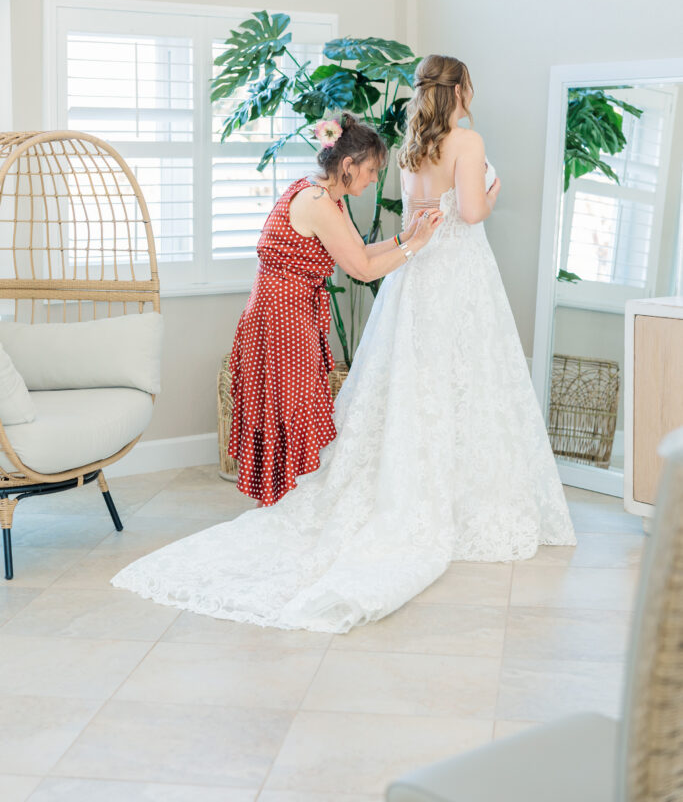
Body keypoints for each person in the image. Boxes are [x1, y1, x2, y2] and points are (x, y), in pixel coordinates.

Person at [112, 54, 576, 633]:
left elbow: (387, 246)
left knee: (410, 384)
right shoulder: (465, 141)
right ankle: (452, 499)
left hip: (414, 277)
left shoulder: (411, 148)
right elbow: (470, 216)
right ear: (460, 88)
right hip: (446, 275)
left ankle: (345, 488)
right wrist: (492, 190)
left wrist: (411, 244)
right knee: (468, 380)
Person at [229, 111, 442, 507]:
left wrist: (405, 237)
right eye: (372, 170)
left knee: (294, 411)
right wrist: (417, 246)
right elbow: (361, 270)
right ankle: (279, 506)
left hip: (289, 315)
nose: (374, 179)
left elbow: (358, 251)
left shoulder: (326, 194)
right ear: (348, 165)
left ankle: (284, 505)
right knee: (289, 413)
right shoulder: (316, 203)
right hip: (280, 320)